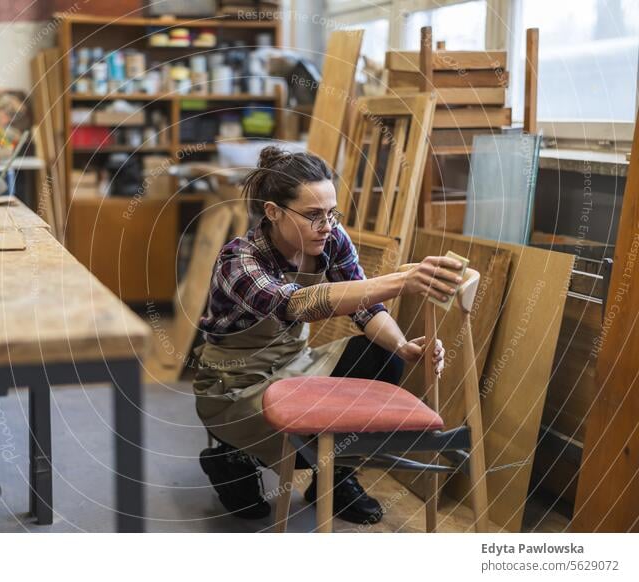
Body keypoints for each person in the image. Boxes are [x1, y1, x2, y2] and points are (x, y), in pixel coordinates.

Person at [192, 146, 462, 525]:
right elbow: (298, 304)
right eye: (313, 215)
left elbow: (364, 306)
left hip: (295, 365)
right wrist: (402, 281)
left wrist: (403, 346)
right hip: (236, 385)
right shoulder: (240, 260)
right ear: (273, 212)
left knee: (382, 353)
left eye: (332, 213)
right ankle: (232, 457)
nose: (327, 225)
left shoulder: (330, 240)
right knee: (298, 450)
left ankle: (334, 477)